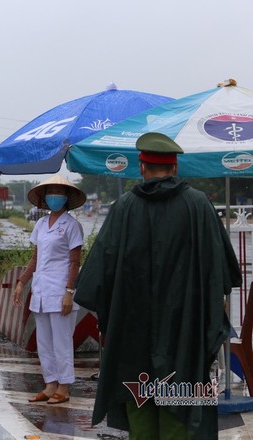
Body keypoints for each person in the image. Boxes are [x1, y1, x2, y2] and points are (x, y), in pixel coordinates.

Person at [73, 132, 242, 439]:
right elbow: (224, 274)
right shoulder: (199, 206)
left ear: (142, 166)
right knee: (180, 415)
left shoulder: (123, 208)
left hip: (133, 340)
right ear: (175, 168)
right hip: (186, 337)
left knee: (141, 414)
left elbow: (96, 279)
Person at [12, 174, 86, 405]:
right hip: (41, 291)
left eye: (59, 192)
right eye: (51, 192)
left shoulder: (72, 225)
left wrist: (69, 292)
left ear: (66, 198)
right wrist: (21, 282)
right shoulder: (41, 224)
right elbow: (35, 258)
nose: (55, 196)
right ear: (44, 198)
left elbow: (75, 262)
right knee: (43, 342)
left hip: (61, 292)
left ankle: (64, 387)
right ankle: (50, 384)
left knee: (61, 342)